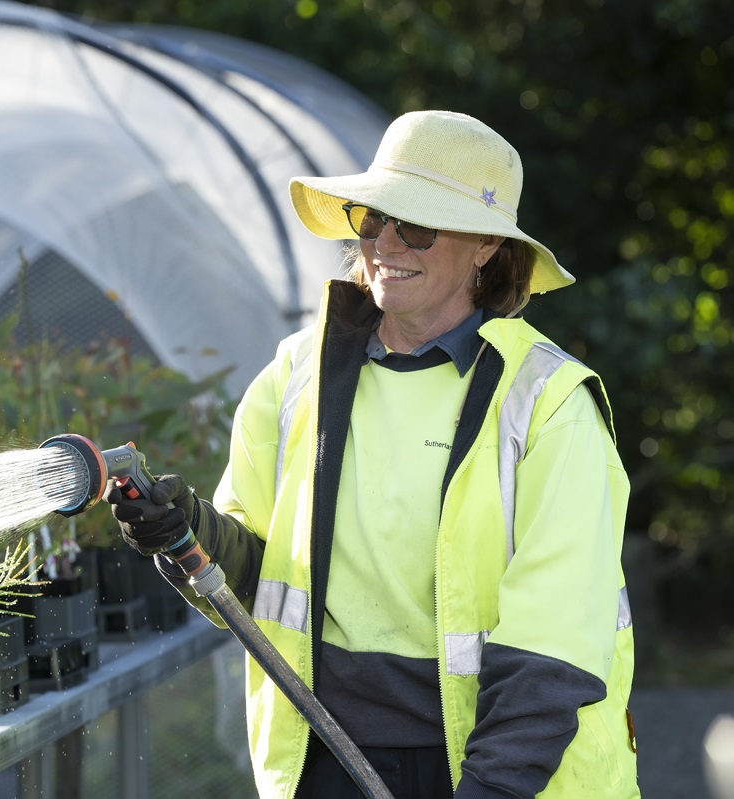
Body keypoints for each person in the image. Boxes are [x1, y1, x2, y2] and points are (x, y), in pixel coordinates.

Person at [105, 110, 638, 799]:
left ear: (483, 246)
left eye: (415, 224)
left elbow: (553, 639)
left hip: (490, 770)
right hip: (321, 755)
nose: (384, 242)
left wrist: (488, 790)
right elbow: (257, 581)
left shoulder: (548, 402)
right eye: (371, 218)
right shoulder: (295, 375)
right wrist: (183, 534)